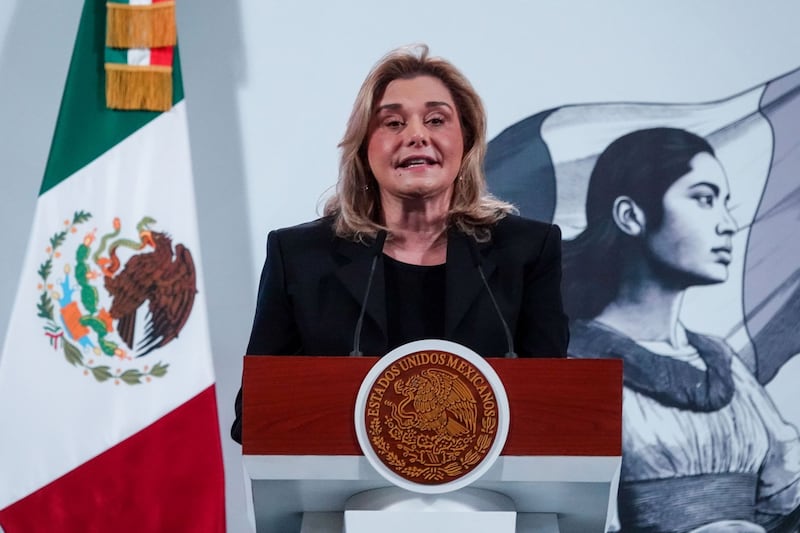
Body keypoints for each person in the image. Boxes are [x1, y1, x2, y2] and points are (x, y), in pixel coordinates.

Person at [231, 44, 569, 444]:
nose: (416, 135)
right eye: (392, 123)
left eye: (436, 120)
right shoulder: (301, 257)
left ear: (466, 140)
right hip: (342, 484)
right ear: (363, 147)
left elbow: (556, 411)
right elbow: (255, 414)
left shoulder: (526, 250)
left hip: (490, 484)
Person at [564, 127, 800, 532]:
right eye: (704, 199)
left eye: (725, 204)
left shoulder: (722, 362)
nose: (728, 224)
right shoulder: (575, 367)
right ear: (631, 216)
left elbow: (786, 501)